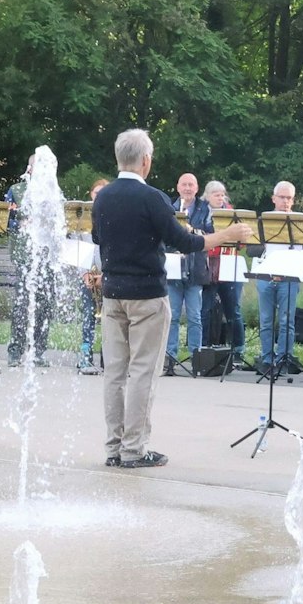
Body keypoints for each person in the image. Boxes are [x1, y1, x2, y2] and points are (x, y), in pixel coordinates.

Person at [87, 129, 251, 467]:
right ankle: (135, 449)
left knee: (114, 373)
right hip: (147, 295)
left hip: (113, 293)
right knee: (143, 373)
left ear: (119, 158)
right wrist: (227, 234)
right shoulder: (153, 198)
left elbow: (98, 237)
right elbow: (185, 242)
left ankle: (113, 449)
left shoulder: (102, 197)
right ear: (146, 161)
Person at [4, 156, 57, 369]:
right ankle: (15, 352)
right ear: (30, 168)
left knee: (45, 306)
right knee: (22, 305)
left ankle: (38, 352)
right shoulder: (16, 189)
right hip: (24, 254)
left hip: (48, 256)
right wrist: (22, 223)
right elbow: (5, 219)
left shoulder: (54, 192)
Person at [162, 172, 214, 375]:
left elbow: (211, 235)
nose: (187, 188)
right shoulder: (169, 207)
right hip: (174, 268)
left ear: (197, 188)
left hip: (195, 269)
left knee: (194, 317)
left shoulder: (205, 209)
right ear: (177, 187)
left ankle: (196, 359)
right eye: (184, 184)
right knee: (172, 316)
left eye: (191, 185)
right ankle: (170, 359)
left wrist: (192, 231)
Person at [252, 180, 302, 377]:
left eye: (289, 198)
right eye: (282, 197)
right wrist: (267, 241)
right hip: (267, 273)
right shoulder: (264, 221)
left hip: (289, 275)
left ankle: (284, 358)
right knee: (266, 320)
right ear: (274, 199)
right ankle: (266, 359)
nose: (285, 201)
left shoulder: (299, 222)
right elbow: (251, 249)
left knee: (287, 320)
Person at [201, 180, 245, 355]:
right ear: (207, 196)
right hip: (208, 264)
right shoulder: (202, 212)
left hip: (228, 263)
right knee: (205, 308)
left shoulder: (231, 213)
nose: (220, 198)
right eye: (216, 195)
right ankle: (202, 349)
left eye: (222, 194)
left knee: (233, 309)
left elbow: (242, 241)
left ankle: (238, 350)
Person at [71, 179, 108, 374]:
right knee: (88, 316)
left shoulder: (113, 216)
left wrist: (106, 274)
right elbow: (76, 248)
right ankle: (85, 356)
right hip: (87, 275)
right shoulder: (81, 219)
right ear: (90, 195)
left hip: (107, 275)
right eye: (96, 193)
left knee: (111, 317)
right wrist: (84, 273)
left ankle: (108, 358)